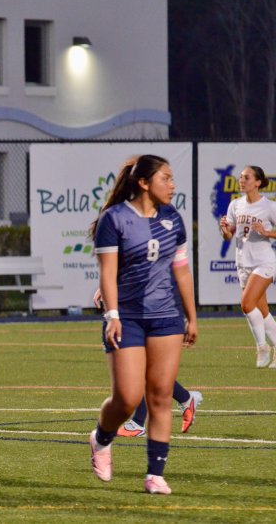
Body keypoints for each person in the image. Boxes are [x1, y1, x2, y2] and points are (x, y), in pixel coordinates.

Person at [88, 154, 198, 495]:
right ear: (144, 183)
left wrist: (192, 316)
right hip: (128, 317)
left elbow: (180, 269)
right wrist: (113, 315)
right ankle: (101, 438)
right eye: (166, 178)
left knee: (161, 396)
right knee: (127, 398)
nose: (173, 184)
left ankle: (155, 474)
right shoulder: (115, 218)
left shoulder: (172, 218)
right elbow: (107, 272)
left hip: (166, 317)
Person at [92, 289, 203, 437]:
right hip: (145, 300)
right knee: (147, 367)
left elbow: (180, 272)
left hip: (151, 302)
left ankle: (138, 423)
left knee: (141, 366)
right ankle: (185, 398)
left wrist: (191, 319)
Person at [219, 165, 276, 369]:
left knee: (246, 304)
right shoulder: (235, 205)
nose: (241, 180)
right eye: (241, 177)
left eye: (246, 177)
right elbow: (229, 234)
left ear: (258, 182)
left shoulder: (269, 206)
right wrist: (225, 230)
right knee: (262, 310)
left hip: (264, 261)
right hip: (243, 262)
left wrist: (267, 233)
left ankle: (262, 348)